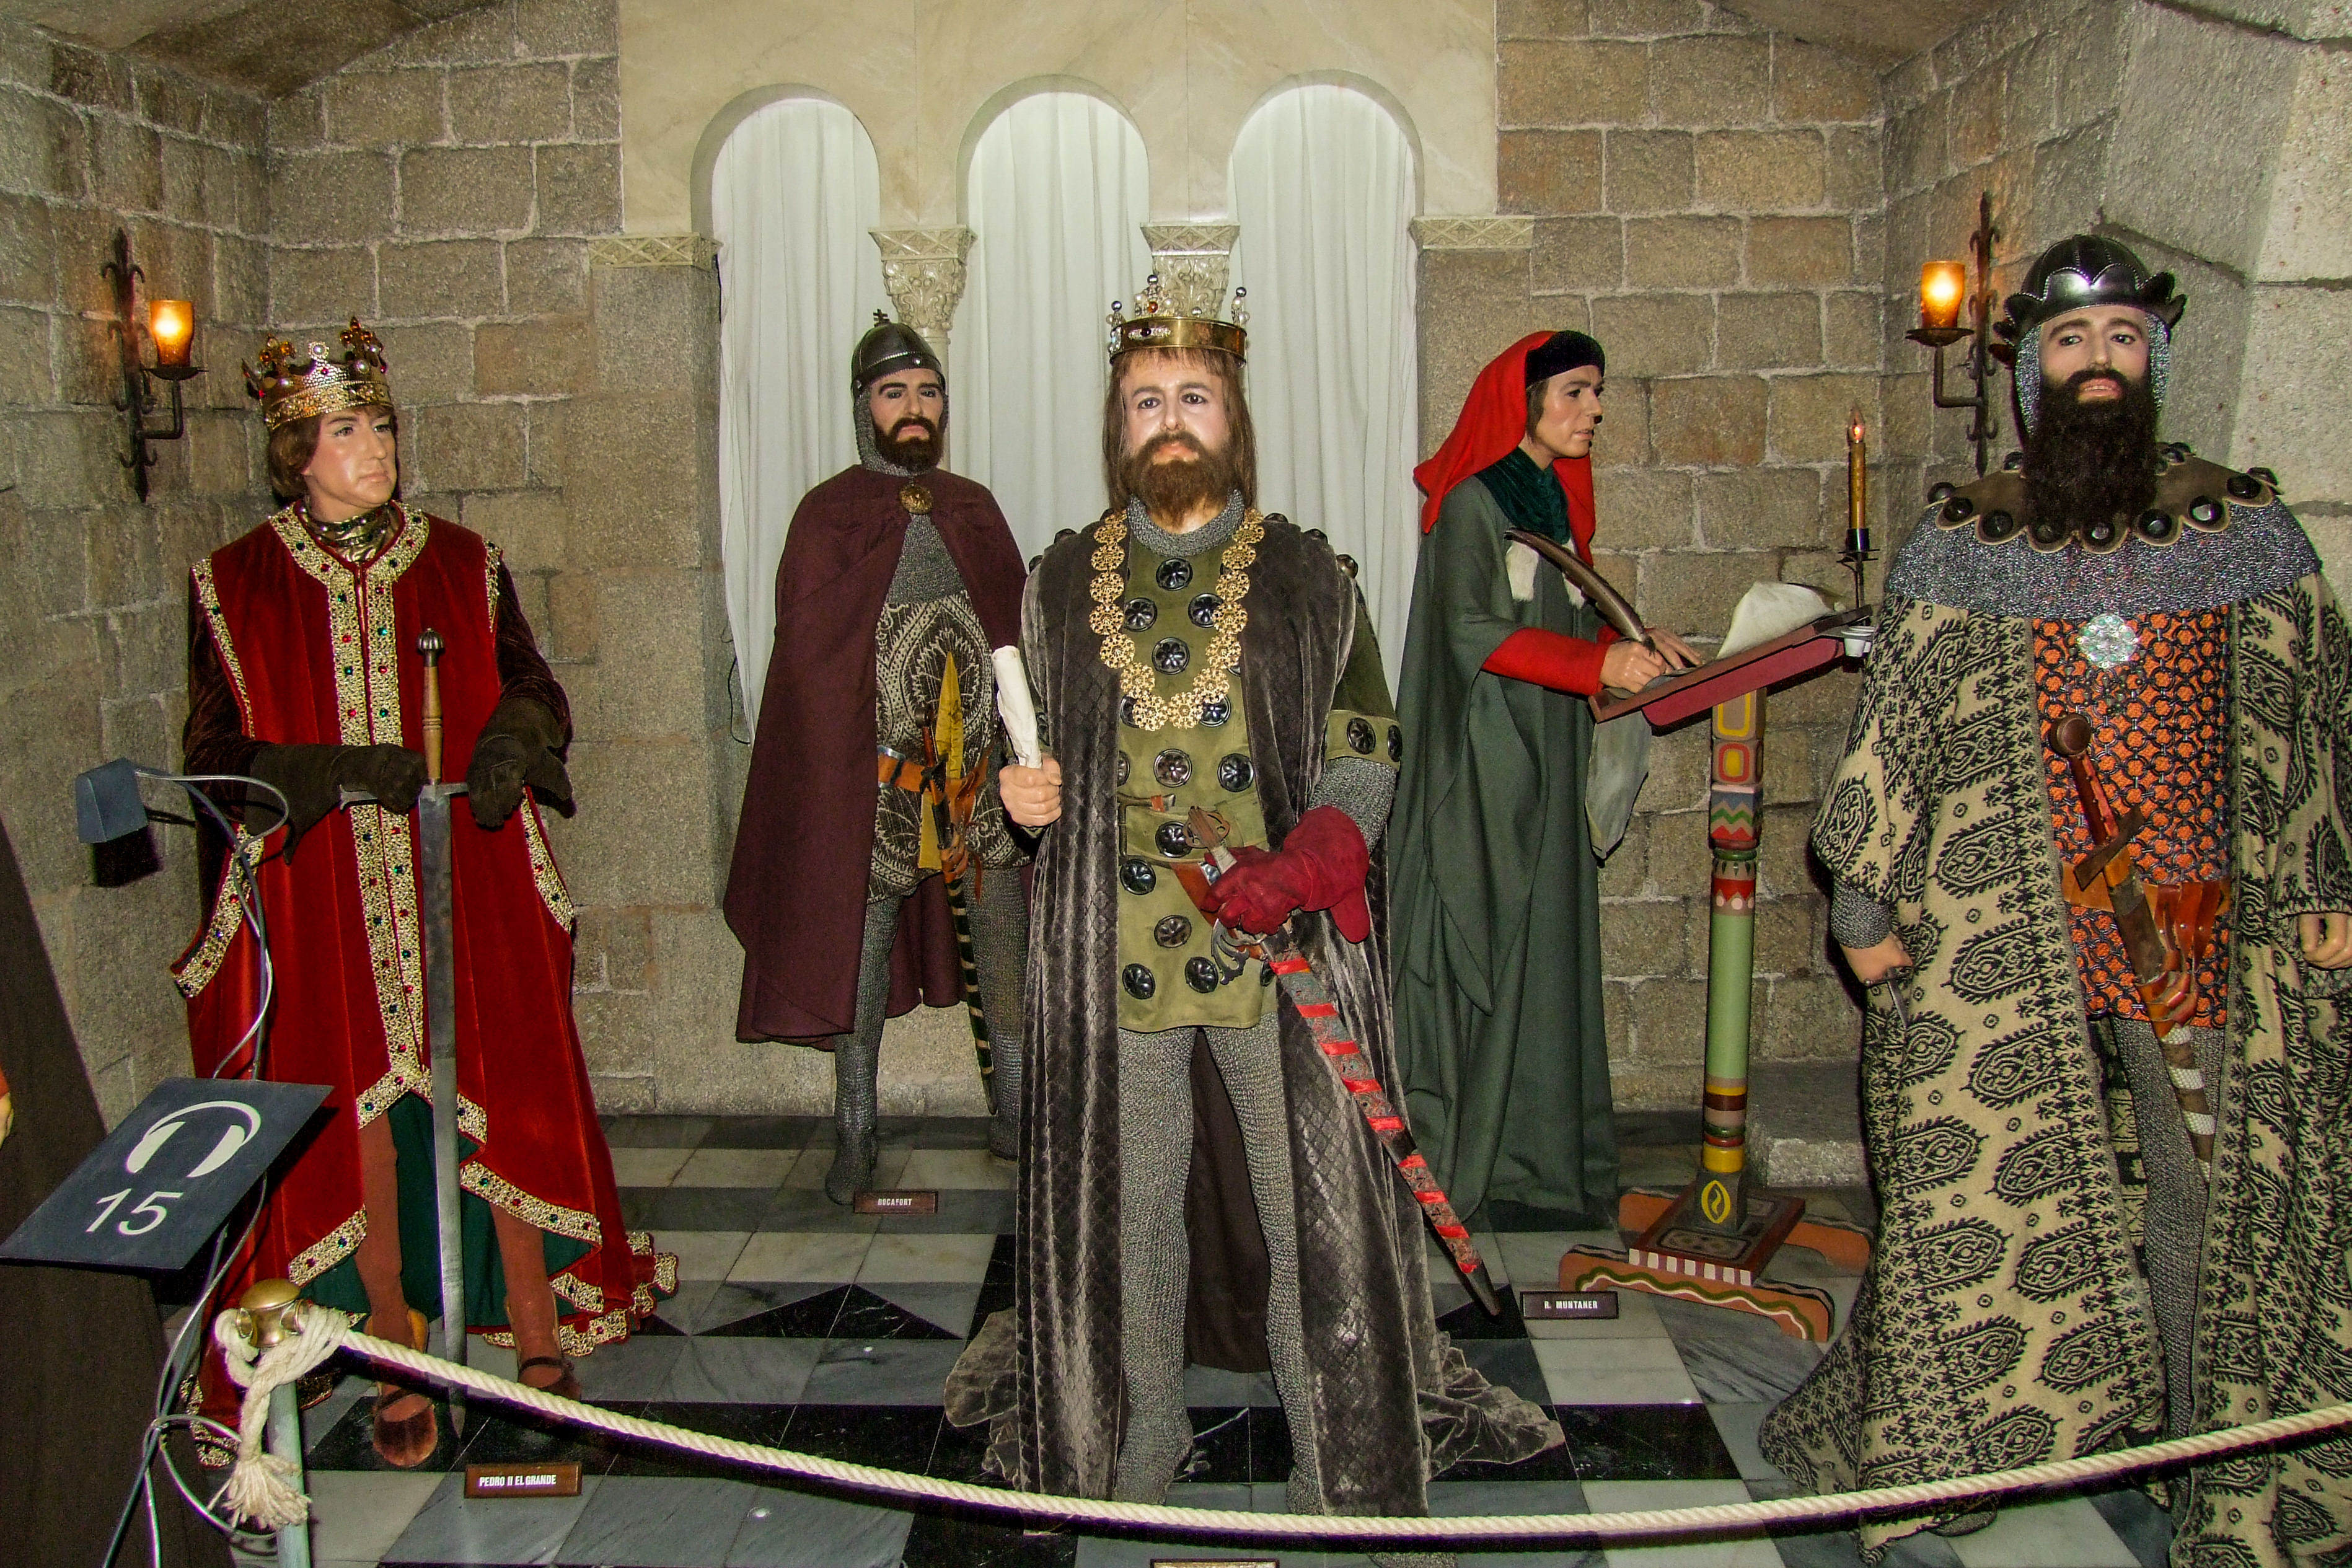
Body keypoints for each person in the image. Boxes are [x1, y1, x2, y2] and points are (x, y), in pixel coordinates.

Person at [1760, 236, 2352, 1559]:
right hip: (2001, 919)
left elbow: (2315, 705)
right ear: (2033, 368)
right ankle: (1966, 1445)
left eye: (2123, 339)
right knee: (1971, 1192)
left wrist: (2323, 872)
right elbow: (1899, 720)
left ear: (2154, 359)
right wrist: (1863, 902)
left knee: (2202, 1190)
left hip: (2182, 911)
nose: (2099, 364)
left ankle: (2211, 1453)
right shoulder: (1969, 536)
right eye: (2073, 343)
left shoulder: (2241, 525)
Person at [945, 282, 1557, 1544]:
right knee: (1130, 1216)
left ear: (1233, 418)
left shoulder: (1309, 576)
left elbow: (1367, 746)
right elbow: (1025, 769)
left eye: (1193, 398)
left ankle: (1339, 1459)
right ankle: (1134, 1438)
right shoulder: (1057, 585)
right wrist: (1019, 794)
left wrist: (1312, 854)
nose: (1169, 421)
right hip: (1115, 955)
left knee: (1311, 1212)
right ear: (1117, 427)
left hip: (1277, 950)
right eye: (1145, 403)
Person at [182, 320, 673, 1467]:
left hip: (469, 868)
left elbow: (536, 683)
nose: (378, 449)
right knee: (355, 1106)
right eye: (349, 431)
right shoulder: (235, 585)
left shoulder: (461, 559)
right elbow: (211, 757)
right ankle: (395, 1340)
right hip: (322, 887)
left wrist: (512, 736)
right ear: (298, 451)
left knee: (504, 1086)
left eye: (384, 426)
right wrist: (325, 771)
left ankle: (536, 1327)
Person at [1390, 331, 1698, 1227]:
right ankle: (1481, 1158)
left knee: (1547, 953)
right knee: (1496, 943)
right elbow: (1469, 630)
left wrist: (1631, 643)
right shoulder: (1474, 504)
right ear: (1522, 401)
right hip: (1489, 770)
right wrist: (1597, 667)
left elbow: (1559, 612)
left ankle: (1539, 1159)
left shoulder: (1552, 498)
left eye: (1597, 392)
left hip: (1548, 759)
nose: (1593, 409)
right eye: (1575, 391)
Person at [725, 313, 1029, 1201]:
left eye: (928, 392)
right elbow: (810, 660)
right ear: (865, 407)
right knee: (859, 951)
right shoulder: (829, 516)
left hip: (978, 778)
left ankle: (1016, 1111)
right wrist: (839, 770)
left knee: (1004, 946)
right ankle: (855, 1128)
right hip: (876, 783)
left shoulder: (973, 507)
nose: (914, 408)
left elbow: (1015, 632)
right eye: (895, 393)